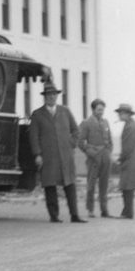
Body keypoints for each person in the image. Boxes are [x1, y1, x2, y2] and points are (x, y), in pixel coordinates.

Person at [28, 81, 84, 223]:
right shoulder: (37, 114)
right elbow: (33, 137)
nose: (51, 97)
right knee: (50, 185)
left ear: (57, 96)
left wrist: (71, 144)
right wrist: (37, 154)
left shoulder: (65, 111)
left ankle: (74, 215)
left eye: (54, 94)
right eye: (48, 95)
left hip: (65, 156)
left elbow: (76, 130)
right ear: (44, 97)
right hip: (48, 156)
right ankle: (54, 215)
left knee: (69, 184)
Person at [77, 98, 113, 217]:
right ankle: (90, 209)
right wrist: (90, 152)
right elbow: (80, 142)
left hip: (105, 156)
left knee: (104, 184)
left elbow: (110, 140)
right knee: (91, 184)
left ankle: (104, 210)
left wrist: (108, 152)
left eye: (102, 110)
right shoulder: (86, 123)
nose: (101, 112)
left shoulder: (106, 122)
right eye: (98, 110)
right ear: (93, 109)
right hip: (93, 157)